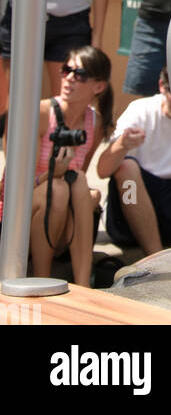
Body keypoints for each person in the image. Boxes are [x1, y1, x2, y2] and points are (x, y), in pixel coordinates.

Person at [0, 46, 113, 288]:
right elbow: (13, 185)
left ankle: (84, 285)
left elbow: (79, 175)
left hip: (60, 219)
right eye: (66, 70)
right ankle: (42, 275)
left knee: (81, 183)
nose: (69, 78)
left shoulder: (95, 122)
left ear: (99, 86)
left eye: (79, 74)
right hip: (17, 211)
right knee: (58, 188)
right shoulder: (40, 113)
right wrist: (51, 175)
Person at [99, 66, 171, 255]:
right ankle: (154, 255)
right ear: (162, 86)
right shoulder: (140, 110)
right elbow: (102, 171)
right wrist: (122, 144)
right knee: (126, 168)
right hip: (128, 211)